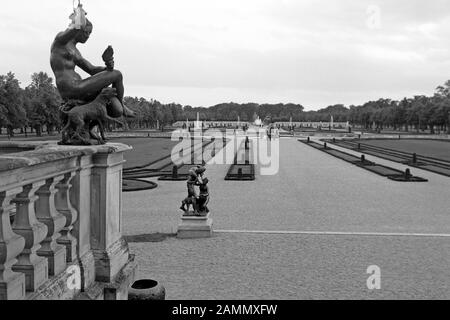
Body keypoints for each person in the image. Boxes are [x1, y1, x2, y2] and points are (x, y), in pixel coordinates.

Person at [50, 15, 135, 118]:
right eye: (86, 32)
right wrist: (79, 13)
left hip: (81, 87)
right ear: (79, 31)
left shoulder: (75, 51)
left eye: (90, 33)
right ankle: (123, 105)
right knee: (117, 74)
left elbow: (92, 69)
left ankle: (117, 109)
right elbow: (76, 26)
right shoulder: (60, 41)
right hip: (72, 87)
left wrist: (107, 67)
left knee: (117, 109)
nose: (88, 36)